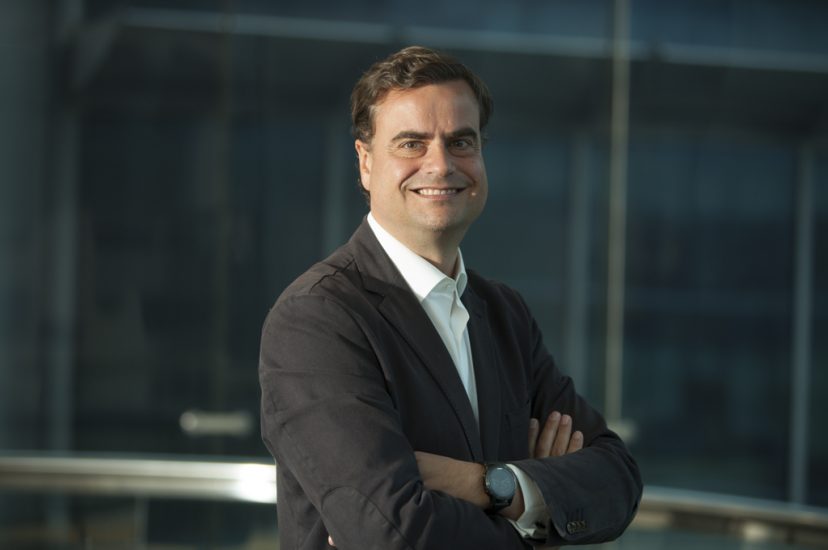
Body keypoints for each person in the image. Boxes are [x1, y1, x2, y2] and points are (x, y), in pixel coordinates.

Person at [259, 45, 642, 549]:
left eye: (461, 141)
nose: (440, 165)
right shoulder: (317, 319)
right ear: (366, 163)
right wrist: (538, 508)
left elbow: (617, 479)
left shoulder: (504, 315)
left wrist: (489, 484)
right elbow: (393, 533)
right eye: (411, 144)